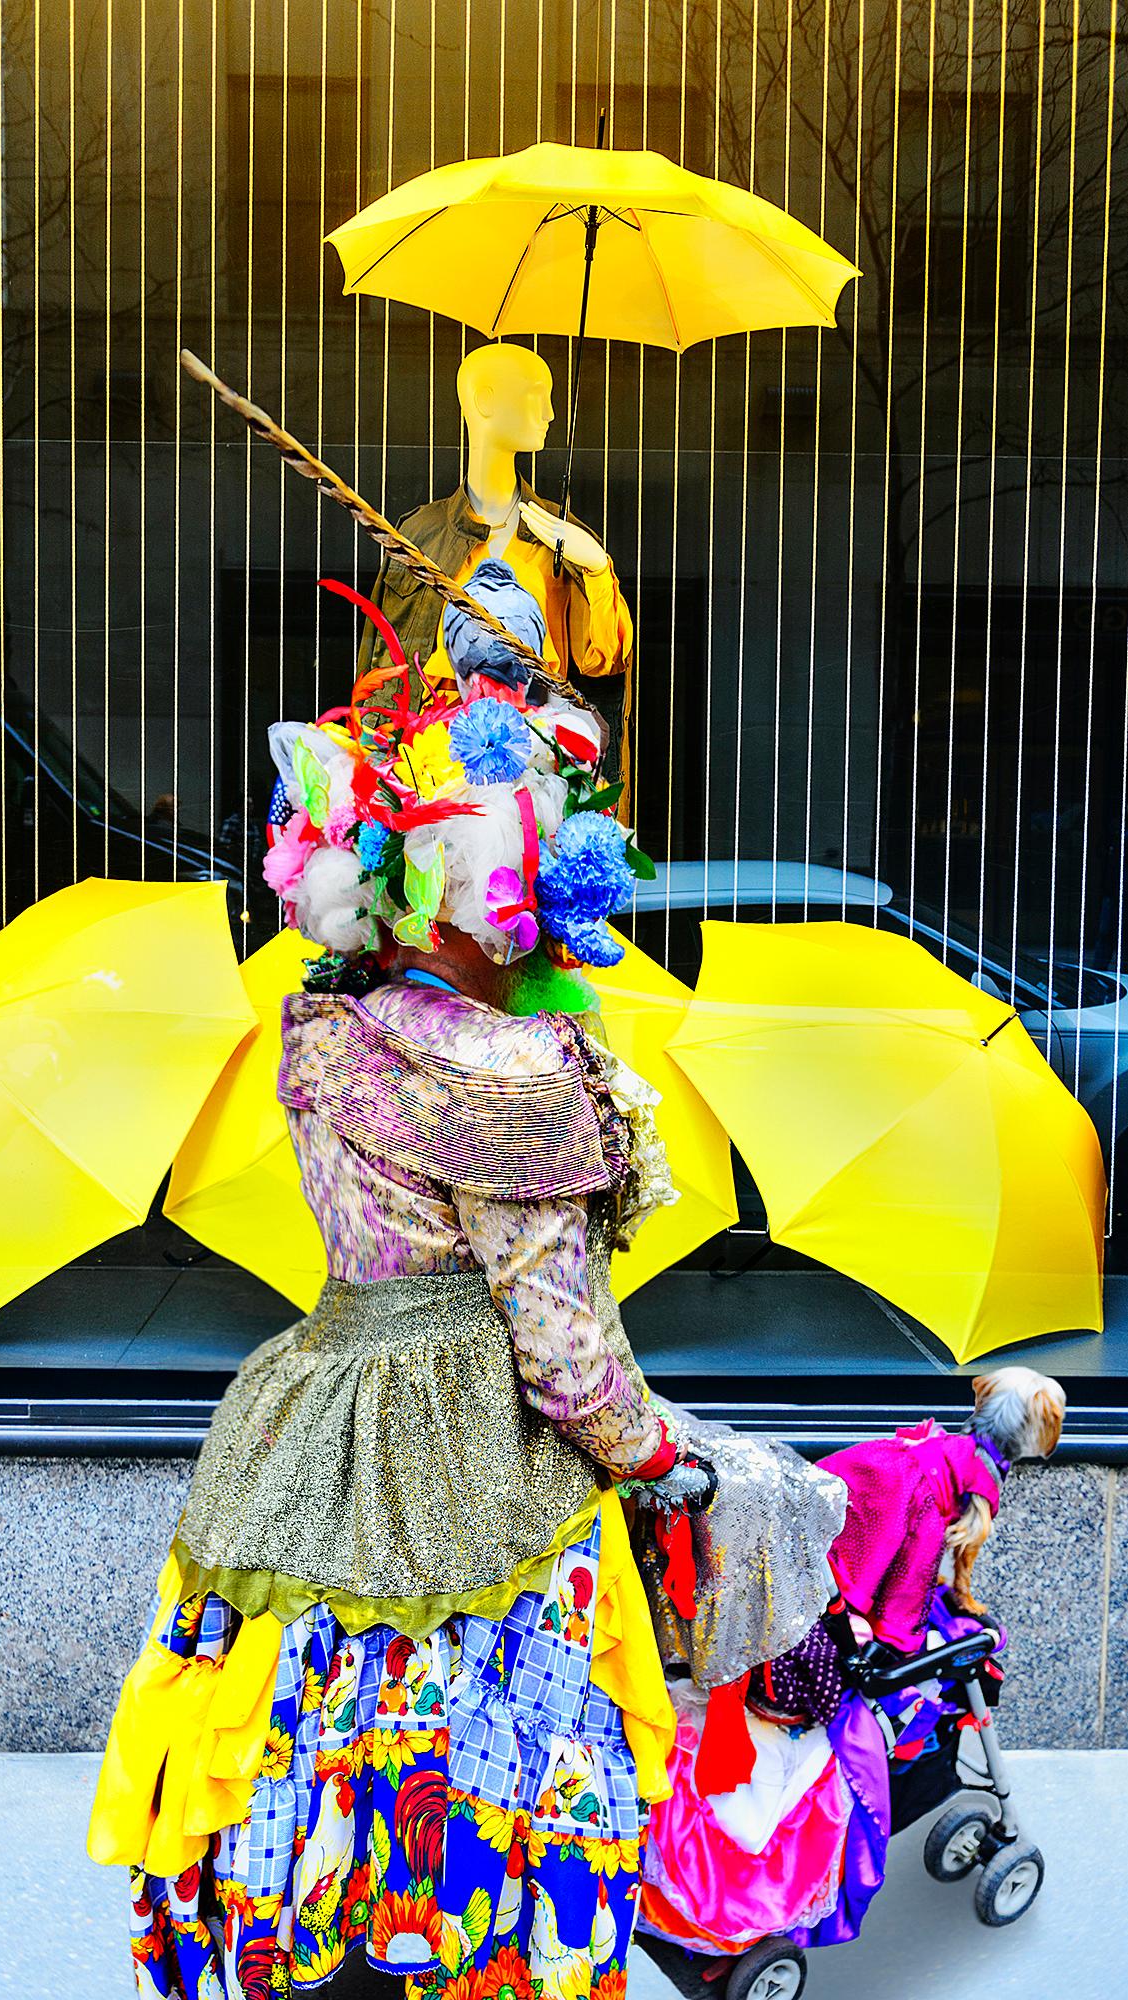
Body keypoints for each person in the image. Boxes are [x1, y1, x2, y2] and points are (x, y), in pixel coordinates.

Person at [87, 581, 704, 2000]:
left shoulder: (325, 1031)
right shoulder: (509, 1073)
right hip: (475, 1447)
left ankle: (309, 1934)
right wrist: (655, 1455)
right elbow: (562, 1354)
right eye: (531, 888)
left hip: (313, 1403)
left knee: (306, 1732)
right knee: (487, 1751)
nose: (545, 928)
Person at [355, 343, 635, 811]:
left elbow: (603, 659)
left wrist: (596, 566)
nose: (549, 413)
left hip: (537, 764)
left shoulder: (562, 538)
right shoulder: (418, 533)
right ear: (485, 401)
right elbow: (379, 664)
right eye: (536, 395)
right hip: (434, 765)